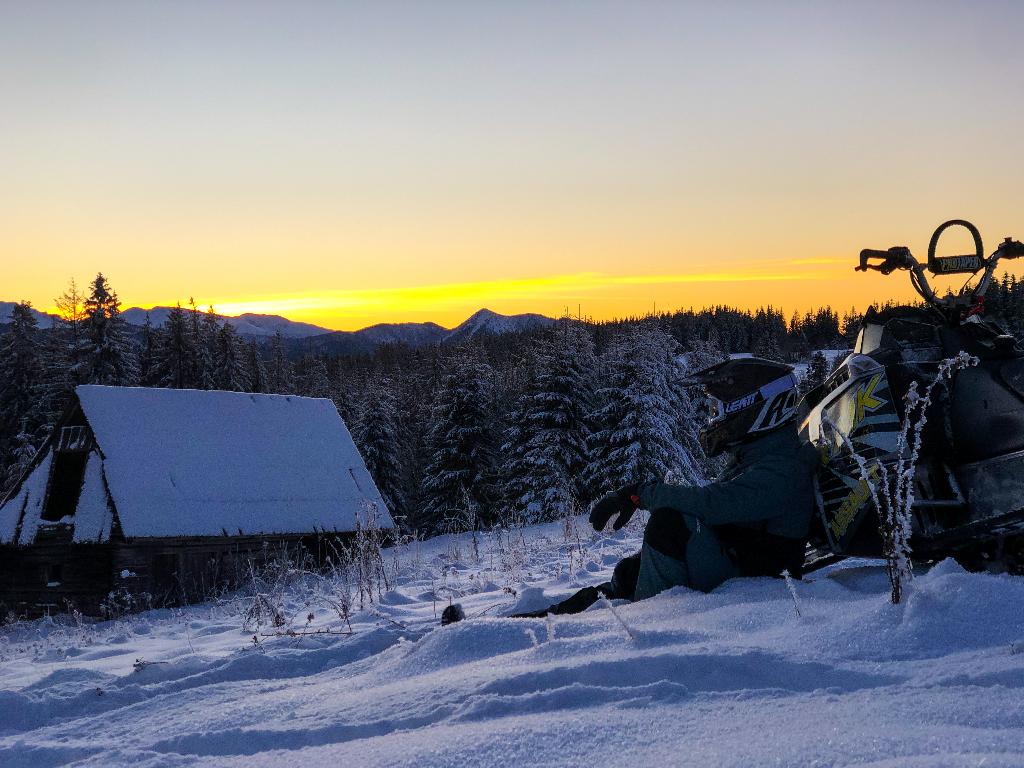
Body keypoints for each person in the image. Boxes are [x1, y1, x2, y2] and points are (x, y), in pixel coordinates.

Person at [513, 357, 820, 618]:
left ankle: (650, 622)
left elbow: (713, 504)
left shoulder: (783, 468)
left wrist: (637, 492)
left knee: (671, 524)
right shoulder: (762, 454)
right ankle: (571, 611)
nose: (717, 419)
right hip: (739, 560)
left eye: (724, 410)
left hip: (756, 581)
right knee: (631, 571)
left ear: (756, 409)